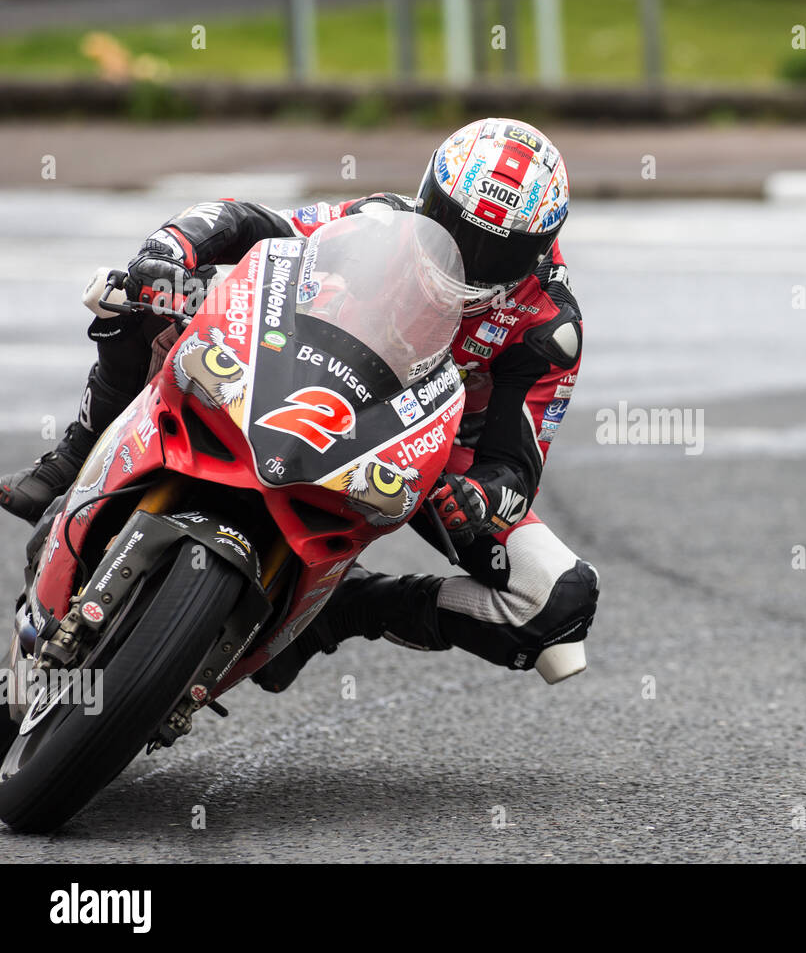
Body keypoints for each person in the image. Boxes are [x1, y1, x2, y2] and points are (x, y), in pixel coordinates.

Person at [0, 117, 598, 687]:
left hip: (424, 452)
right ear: (429, 201)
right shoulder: (384, 221)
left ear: (538, 250)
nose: (465, 260)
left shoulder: (548, 326)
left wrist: (481, 496)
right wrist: (171, 253)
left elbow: (515, 465)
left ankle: (345, 608)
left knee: (557, 600)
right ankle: (72, 461)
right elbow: (245, 223)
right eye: (452, 229)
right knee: (138, 297)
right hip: (310, 371)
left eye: (495, 253)